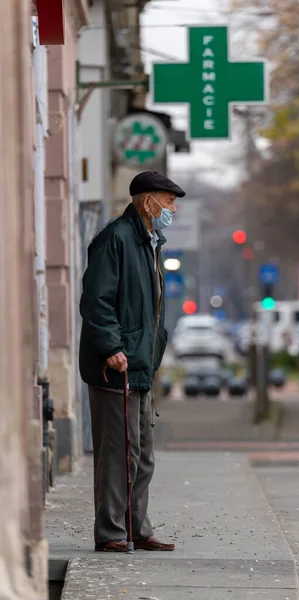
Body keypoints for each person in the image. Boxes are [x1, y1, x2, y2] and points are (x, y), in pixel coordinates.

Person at [79, 171, 186, 552]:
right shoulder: (117, 238)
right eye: (168, 201)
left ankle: (136, 528)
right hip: (116, 366)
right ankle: (111, 533)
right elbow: (96, 301)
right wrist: (111, 347)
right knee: (117, 454)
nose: (172, 209)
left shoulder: (150, 242)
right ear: (147, 202)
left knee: (141, 455)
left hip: (139, 365)